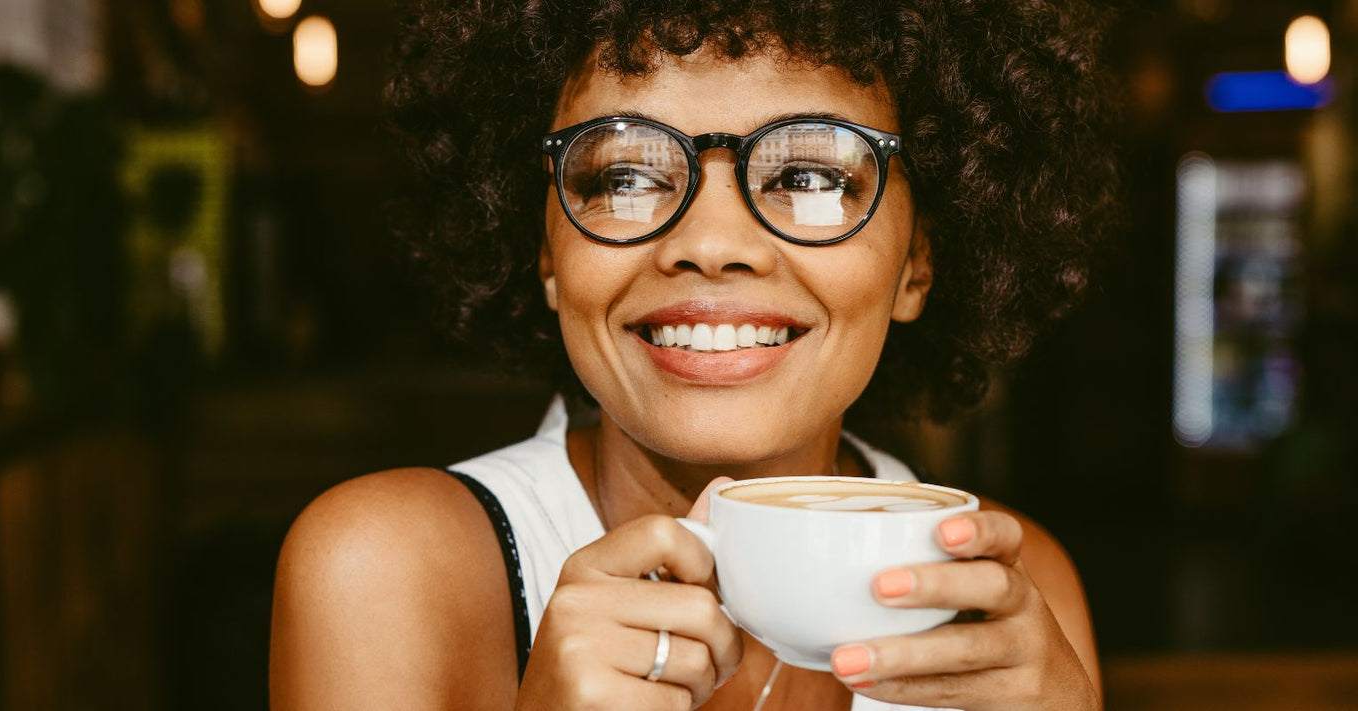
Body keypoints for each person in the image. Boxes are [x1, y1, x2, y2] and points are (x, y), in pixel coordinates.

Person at [271, 1, 1119, 708]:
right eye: (625, 178)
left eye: (809, 177)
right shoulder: (386, 572)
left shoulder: (1005, 590)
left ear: (917, 261)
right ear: (546, 255)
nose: (711, 245)